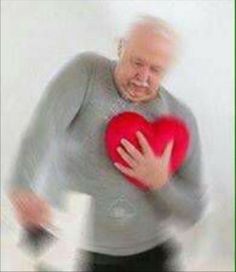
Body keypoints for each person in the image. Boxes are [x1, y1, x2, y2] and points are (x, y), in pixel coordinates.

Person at [8, 15, 205, 271]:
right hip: (71, 246)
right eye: (137, 62)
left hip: (146, 254)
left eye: (155, 69)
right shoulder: (86, 72)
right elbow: (44, 129)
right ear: (121, 47)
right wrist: (22, 186)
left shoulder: (180, 119)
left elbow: (193, 211)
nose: (142, 77)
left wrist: (161, 182)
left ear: (167, 70)